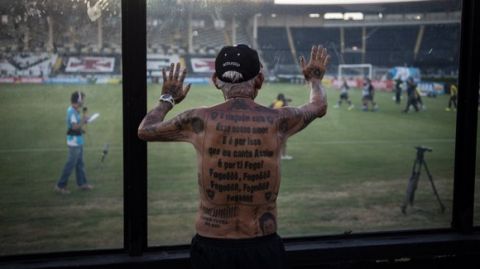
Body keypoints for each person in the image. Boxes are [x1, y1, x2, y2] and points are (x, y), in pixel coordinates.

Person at [138, 44, 329, 269]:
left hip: (211, 245)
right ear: (259, 80)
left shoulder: (198, 119)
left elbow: (145, 130)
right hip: (262, 245)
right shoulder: (278, 120)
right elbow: (319, 105)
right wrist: (314, 79)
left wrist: (167, 98)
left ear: (215, 80)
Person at [55, 91, 94, 194]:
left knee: (80, 163)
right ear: (79, 100)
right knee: (70, 164)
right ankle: (60, 185)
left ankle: (82, 184)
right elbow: (74, 126)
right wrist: (84, 121)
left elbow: (76, 127)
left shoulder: (75, 110)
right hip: (74, 143)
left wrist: (82, 128)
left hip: (78, 141)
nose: (83, 102)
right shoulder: (72, 112)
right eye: (82, 100)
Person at [269, 93, 293, 160]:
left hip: (273, 123)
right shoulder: (284, 103)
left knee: (274, 139)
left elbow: (269, 108)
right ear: (283, 98)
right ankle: (283, 155)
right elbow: (288, 110)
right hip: (281, 123)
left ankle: (273, 153)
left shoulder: (275, 102)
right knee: (283, 140)